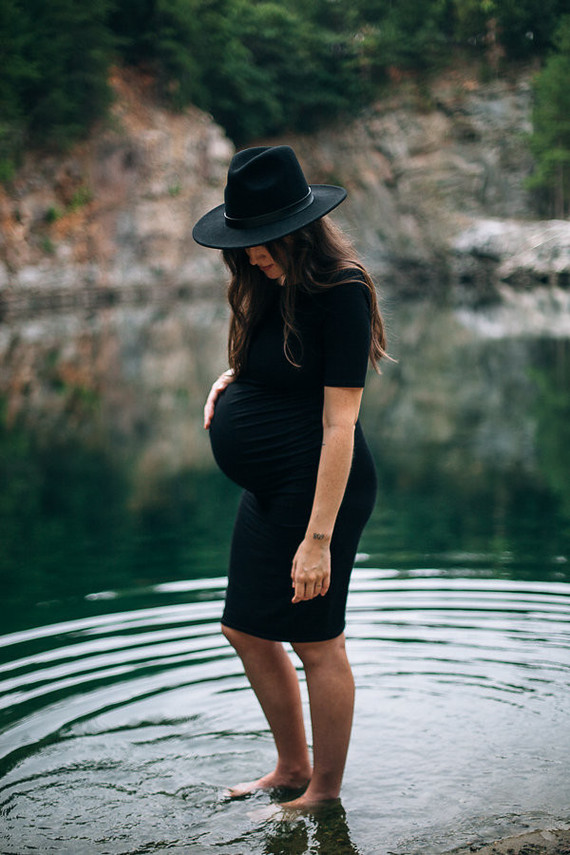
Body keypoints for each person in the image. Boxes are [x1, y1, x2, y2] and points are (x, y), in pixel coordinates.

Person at [192, 145, 388, 810]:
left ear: (299, 234)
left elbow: (340, 424)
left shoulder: (343, 291)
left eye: (262, 243)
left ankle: (325, 791)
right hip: (270, 487)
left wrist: (318, 539)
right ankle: (291, 766)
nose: (251, 255)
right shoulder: (263, 282)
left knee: (316, 639)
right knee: (245, 626)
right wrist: (233, 379)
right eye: (243, 243)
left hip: (321, 490)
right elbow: (277, 372)